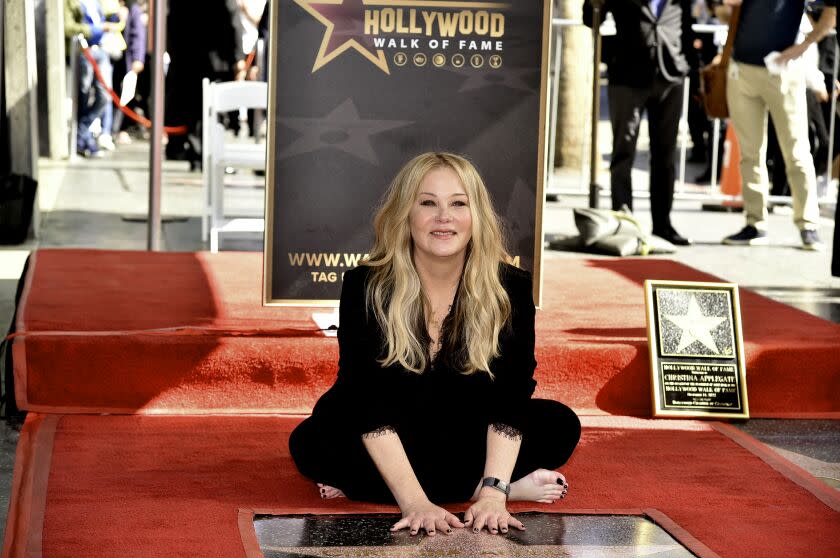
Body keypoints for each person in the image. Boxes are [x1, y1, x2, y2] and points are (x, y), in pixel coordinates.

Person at [289, 153, 581, 536]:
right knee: (312, 443)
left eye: (459, 203)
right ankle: (470, 487)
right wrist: (415, 504)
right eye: (428, 203)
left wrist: (493, 496)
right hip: (387, 426)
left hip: (464, 428)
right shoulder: (365, 285)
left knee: (560, 424)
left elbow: (510, 397)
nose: (444, 216)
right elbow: (367, 402)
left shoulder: (510, 287)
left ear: (476, 216)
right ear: (405, 215)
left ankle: (477, 486)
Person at [717, 0, 836, 250]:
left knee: (797, 152)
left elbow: (831, 12)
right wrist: (724, 9)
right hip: (742, 69)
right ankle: (755, 223)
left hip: (783, 70)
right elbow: (724, 13)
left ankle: (808, 224)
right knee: (750, 153)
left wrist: (801, 47)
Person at [583, 0, 696, 246]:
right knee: (623, 152)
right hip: (627, 77)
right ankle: (625, 222)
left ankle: (663, 224)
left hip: (670, 79)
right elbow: (591, 18)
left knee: (665, 156)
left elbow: (686, 29)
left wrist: (687, 68)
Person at [64, 0, 119, 157]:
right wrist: (93, 29)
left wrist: (116, 16)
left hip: (100, 50)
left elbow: (106, 14)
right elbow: (68, 27)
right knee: (83, 95)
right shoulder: (70, 2)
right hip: (83, 51)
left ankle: (82, 132)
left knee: (105, 96)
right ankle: (83, 139)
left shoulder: (97, 2)